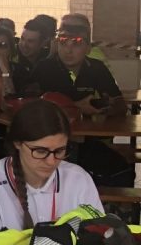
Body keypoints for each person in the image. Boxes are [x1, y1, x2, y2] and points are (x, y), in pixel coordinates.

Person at [0, 99, 101, 238]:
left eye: (59, 151)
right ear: (17, 143)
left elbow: (96, 239)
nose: (51, 161)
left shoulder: (79, 179)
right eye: (40, 151)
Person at [32, 17, 130, 187]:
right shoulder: (43, 68)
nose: (68, 49)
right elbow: (30, 105)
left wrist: (105, 109)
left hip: (89, 140)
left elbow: (120, 103)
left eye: (76, 43)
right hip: (50, 143)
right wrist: (77, 107)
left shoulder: (97, 68)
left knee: (123, 171)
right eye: (63, 42)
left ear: (88, 48)